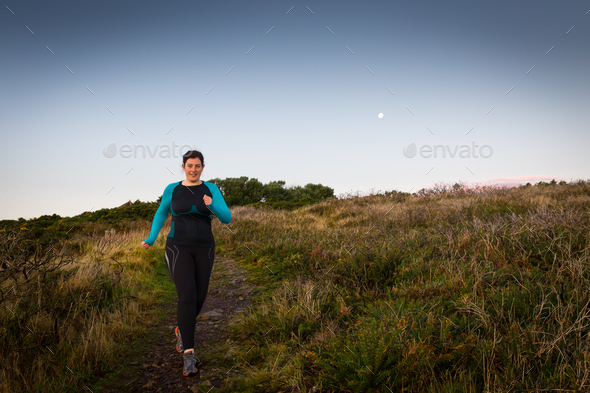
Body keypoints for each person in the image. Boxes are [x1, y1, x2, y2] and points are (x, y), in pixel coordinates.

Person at [141, 150, 232, 377]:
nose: (193, 169)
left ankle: (182, 330)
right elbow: (161, 213)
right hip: (177, 247)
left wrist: (212, 205)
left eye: (198, 166)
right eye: (190, 165)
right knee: (188, 295)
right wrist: (151, 238)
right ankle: (189, 354)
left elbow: (226, 217)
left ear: (203, 167)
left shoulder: (211, 189)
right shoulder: (173, 189)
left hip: (205, 248)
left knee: (200, 297)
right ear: (183, 166)